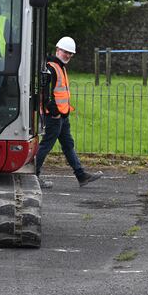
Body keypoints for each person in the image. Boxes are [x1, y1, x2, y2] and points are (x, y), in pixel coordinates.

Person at [35, 36, 102, 189]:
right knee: (46, 146)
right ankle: (33, 175)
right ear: (58, 50)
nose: (69, 56)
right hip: (55, 116)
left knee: (68, 145)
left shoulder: (60, 66)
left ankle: (81, 175)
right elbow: (44, 94)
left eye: (71, 53)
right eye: (66, 52)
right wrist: (55, 112)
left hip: (62, 116)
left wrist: (61, 113)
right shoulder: (51, 67)